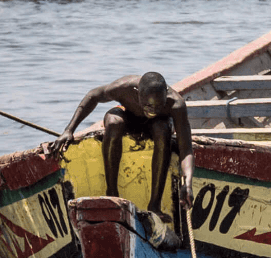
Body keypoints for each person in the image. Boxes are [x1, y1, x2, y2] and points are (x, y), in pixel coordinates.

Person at [45, 73, 194, 220]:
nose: (153, 111)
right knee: (113, 121)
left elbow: (186, 148)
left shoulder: (176, 104)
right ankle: (112, 195)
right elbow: (93, 95)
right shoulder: (124, 87)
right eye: (148, 105)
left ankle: (154, 206)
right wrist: (69, 130)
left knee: (163, 128)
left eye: (158, 106)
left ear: (165, 96)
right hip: (129, 119)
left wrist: (187, 182)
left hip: (156, 128)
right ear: (137, 94)